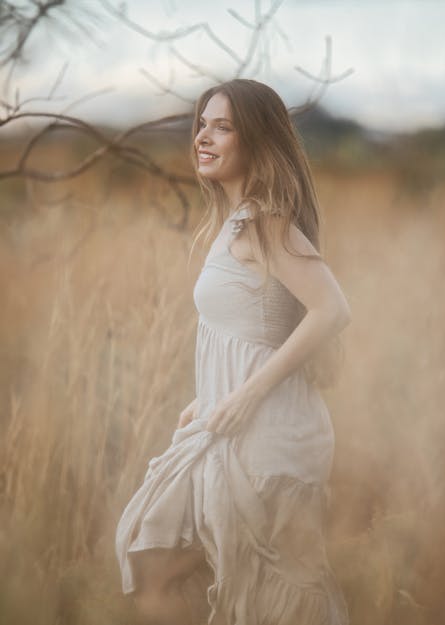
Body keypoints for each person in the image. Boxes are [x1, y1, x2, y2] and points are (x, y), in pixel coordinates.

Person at [115, 78, 352, 625]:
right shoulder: (231, 224)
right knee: (159, 563)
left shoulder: (264, 222)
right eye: (202, 124)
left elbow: (333, 310)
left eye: (223, 127)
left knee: (279, 598)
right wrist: (210, 396)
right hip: (229, 424)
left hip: (272, 441)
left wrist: (245, 394)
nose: (204, 136)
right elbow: (255, 327)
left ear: (257, 142)